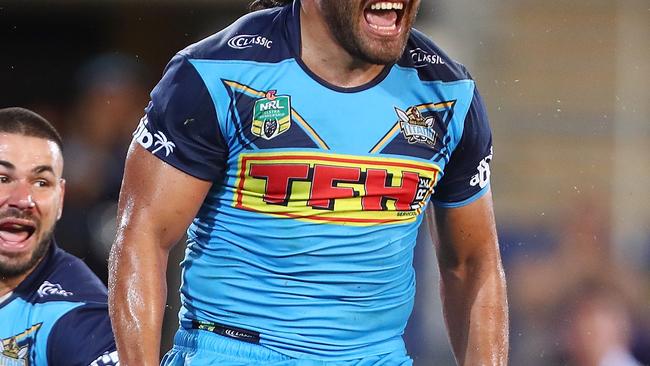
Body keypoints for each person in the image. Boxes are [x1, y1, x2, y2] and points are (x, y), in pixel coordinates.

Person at [109, 0, 508, 365]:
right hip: (237, 353)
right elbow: (143, 235)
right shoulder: (215, 74)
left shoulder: (450, 93)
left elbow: (473, 264)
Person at [0, 107, 119, 366]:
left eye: (41, 182)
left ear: (60, 199)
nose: (23, 200)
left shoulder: (77, 317)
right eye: (3, 178)